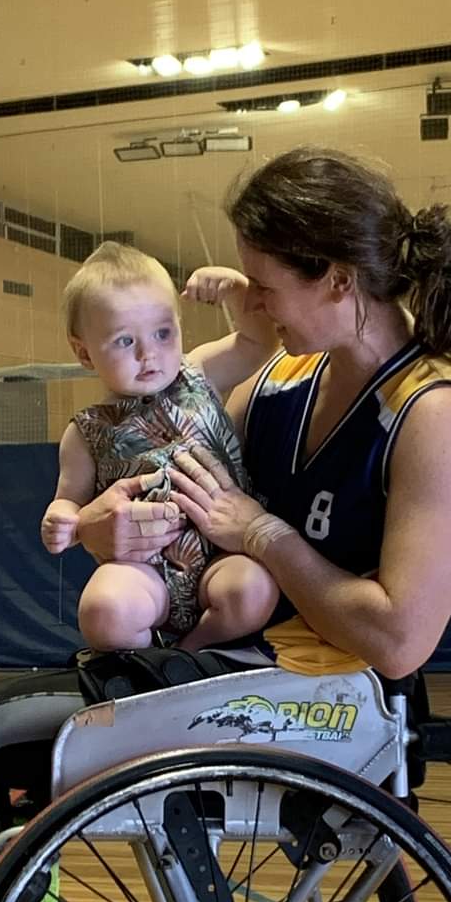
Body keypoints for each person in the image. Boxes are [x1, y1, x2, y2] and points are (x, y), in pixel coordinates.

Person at [0, 145, 451, 902]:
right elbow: (155, 466)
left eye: (266, 283)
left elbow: (399, 638)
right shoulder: (284, 380)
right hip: (221, 661)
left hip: (316, 696)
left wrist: (260, 533)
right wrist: (98, 529)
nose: (251, 300)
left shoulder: (437, 412)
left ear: (336, 279)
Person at [41, 241, 279, 651]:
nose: (149, 353)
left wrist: (236, 291)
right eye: (124, 341)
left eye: (163, 333)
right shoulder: (85, 431)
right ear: (84, 352)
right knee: (103, 612)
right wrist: (63, 521)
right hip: (142, 570)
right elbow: (70, 501)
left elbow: (260, 340)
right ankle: (151, 660)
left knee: (253, 591)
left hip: (219, 554)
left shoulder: (199, 373)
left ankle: (189, 654)